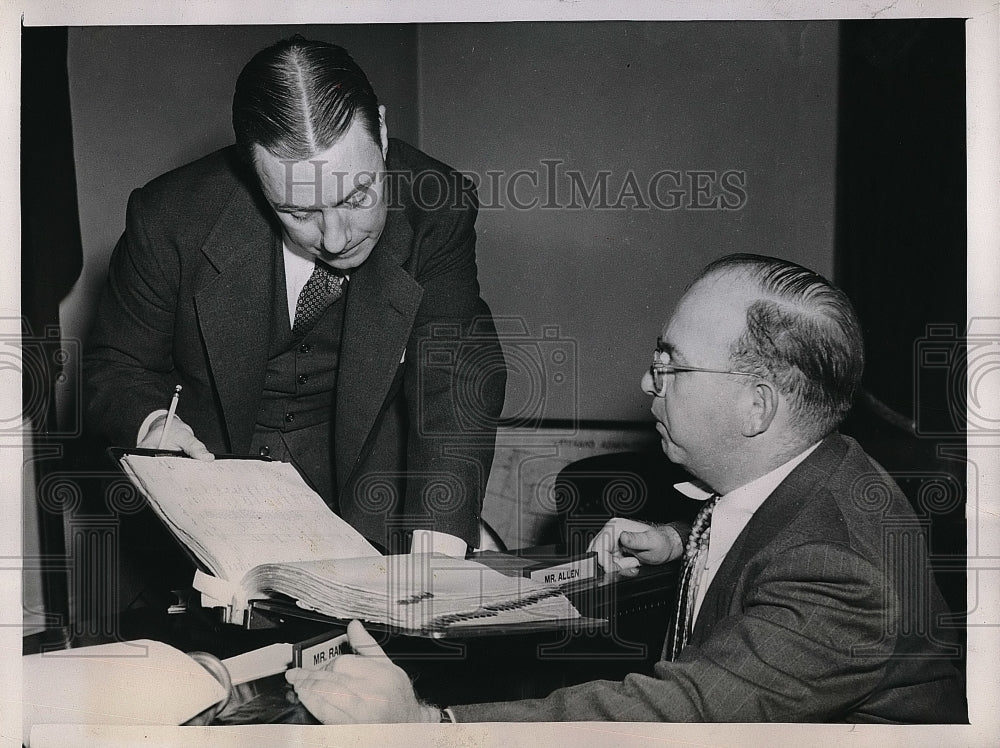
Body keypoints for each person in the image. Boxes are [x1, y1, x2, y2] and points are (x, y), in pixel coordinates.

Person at [284, 254, 967, 723]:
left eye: (671, 366)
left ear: (756, 407)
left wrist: (430, 723)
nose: (647, 385)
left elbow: (684, 714)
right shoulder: (816, 471)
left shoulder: (840, 575)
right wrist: (680, 541)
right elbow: (772, 531)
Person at [83, 37, 505, 559]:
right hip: (207, 525)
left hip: (371, 513)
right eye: (299, 212)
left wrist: (437, 546)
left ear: (383, 130)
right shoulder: (169, 220)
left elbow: (455, 373)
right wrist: (152, 424)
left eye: (357, 196)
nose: (336, 238)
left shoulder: (436, 208)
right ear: (253, 173)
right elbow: (114, 365)